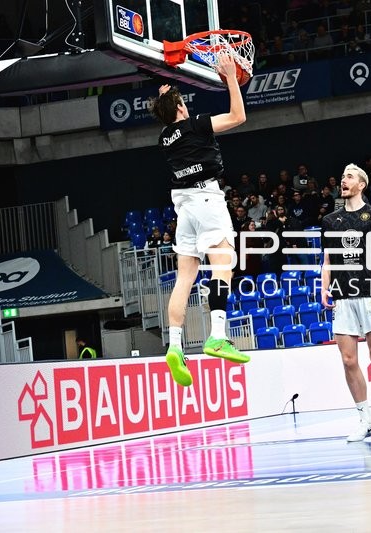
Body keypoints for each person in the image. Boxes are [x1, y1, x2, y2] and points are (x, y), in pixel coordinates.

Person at [149, 55, 250, 388]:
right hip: (206, 198)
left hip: (183, 206)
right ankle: (217, 336)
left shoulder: (164, 139)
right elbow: (238, 116)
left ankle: (175, 345)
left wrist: (166, 98)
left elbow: (168, 118)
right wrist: (230, 77)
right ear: (180, 110)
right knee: (224, 265)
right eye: (182, 104)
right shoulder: (194, 125)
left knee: (185, 277)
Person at [321, 164, 371, 442]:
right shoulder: (330, 220)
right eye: (342, 177)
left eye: (349, 177)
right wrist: (324, 287)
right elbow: (328, 259)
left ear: (362, 184)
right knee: (348, 359)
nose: (343, 180)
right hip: (343, 295)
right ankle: (364, 419)